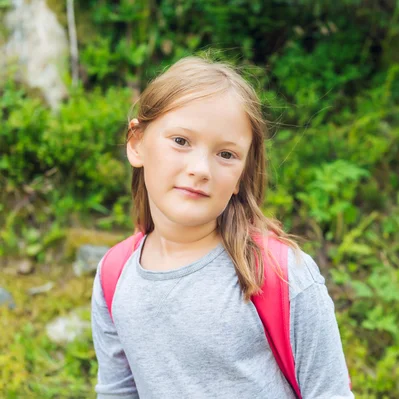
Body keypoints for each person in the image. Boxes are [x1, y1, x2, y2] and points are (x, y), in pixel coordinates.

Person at [91, 56, 353, 399]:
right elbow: (117, 391)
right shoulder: (114, 275)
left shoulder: (281, 272)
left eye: (226, 154)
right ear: (137, 142)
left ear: (240, 177)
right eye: (181, 141)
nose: (201, 169)